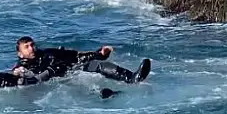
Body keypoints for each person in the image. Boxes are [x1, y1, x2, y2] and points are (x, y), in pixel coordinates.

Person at [14, 36, 151, 84]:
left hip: (72, 71)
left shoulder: (47, 53)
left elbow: (75, 56)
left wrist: (99, 54)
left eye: (32, 45)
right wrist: (50, 72)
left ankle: (132, 78)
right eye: (26, 47)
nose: (31, 48)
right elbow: (26, 81)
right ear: (20, 54)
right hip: (58, 84)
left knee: (97, 64)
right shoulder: (20, 68)